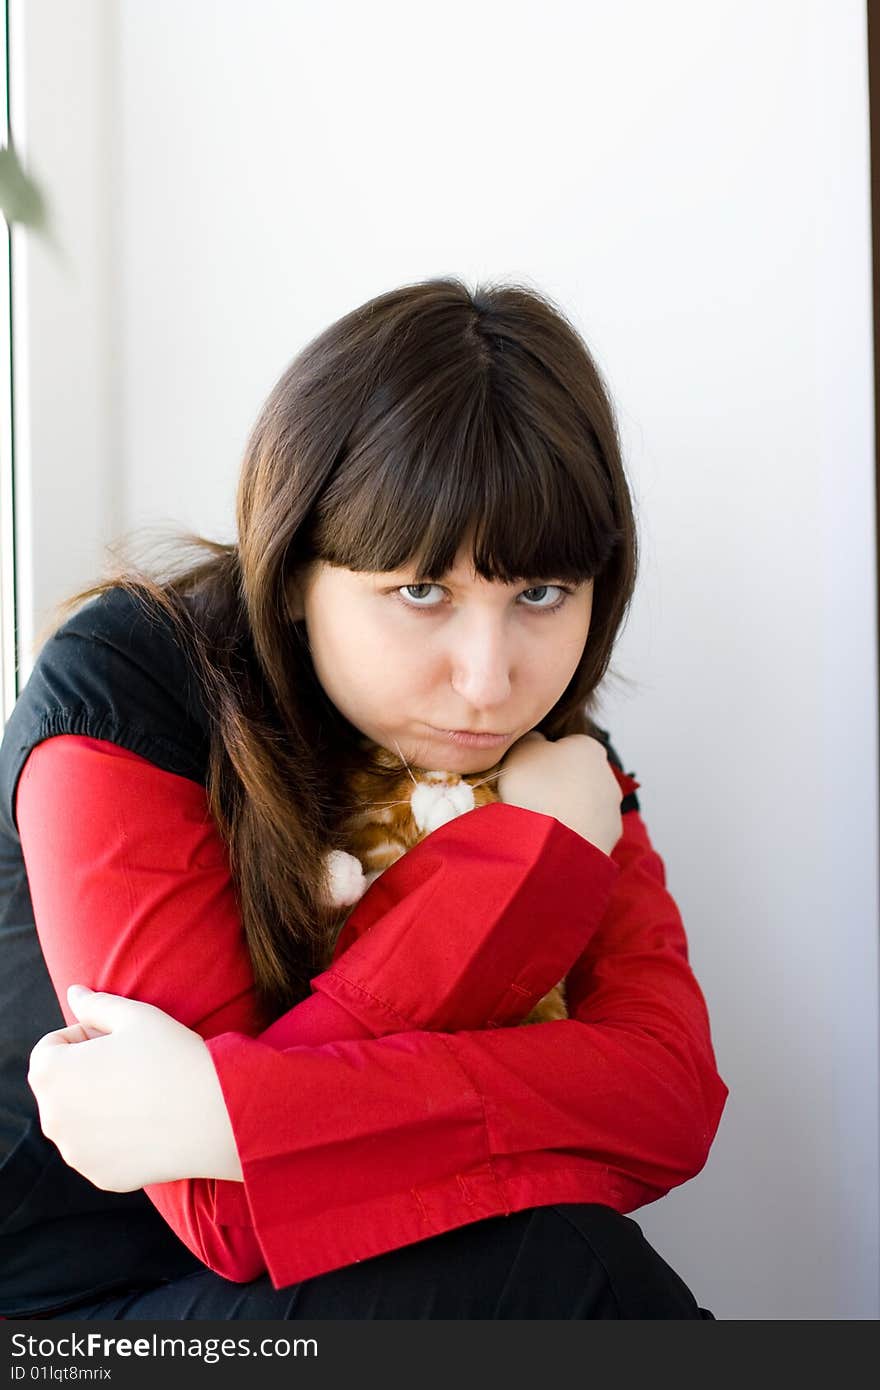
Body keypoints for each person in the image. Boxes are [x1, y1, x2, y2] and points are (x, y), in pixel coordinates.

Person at [0, 277, 727, 1319]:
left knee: (563, 1265)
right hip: (70, 1325)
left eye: (540, 593)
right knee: (564, 1275)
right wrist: (524, 859)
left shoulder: (550, 753)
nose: (488, 679)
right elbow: (225, 1211)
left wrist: (226, 1107)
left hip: (336, 1284)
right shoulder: (126, 688)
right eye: (419, 592)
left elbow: (667, 1100)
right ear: (292, 567)